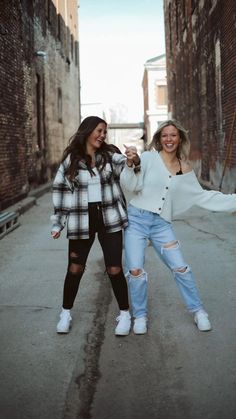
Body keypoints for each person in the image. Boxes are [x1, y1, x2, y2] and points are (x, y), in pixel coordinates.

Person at [120, 119, 236, 334]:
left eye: (173, 135)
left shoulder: (184, 168)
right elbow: (131, 185)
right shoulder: (147, 158)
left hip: (161, 224)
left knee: (181, 268)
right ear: (159, 139)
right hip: (137, 220)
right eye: (164, 135)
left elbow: (202, 196)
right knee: (135, 270)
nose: (169, 139)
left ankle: (199, 311)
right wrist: (130, 165)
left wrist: (233, 201)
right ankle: (140, 316)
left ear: (179, 138)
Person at [51, 116, 131, 336]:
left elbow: (127, 166)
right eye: (99, 131)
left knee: (114, 268)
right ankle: (65, 313)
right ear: (87, 131)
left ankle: (125, 313)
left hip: (109, 218)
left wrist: (133, 159)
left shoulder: (109, 156)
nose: (102, 135)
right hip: (80, 219)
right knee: (75, 268)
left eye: (105, 132)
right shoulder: (71, 160)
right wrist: (58, 222)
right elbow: (60, 189)